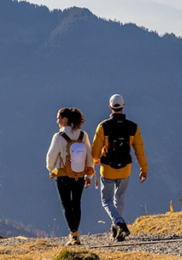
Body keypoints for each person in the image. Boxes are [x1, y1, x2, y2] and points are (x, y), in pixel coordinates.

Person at [91, 93, 148, 241]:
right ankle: (117, 229)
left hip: (107, 169)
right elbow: (139, 150)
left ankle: (119, 224)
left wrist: (94, 162)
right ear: (123, 107)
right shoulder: (133, 127)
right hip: (125, 169)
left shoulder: (103, 126)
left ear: (110, 107)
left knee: (106, 201)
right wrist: (144, 169)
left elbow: (95, 153)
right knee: (119, 200)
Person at [46, 107, 94, 245]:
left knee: (66, 205)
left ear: (65, 119)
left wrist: (51, 169)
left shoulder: (59, 137)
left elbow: (50, 159)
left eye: (59, 118)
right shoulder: (83, 135)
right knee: (76, 203)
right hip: (79, 175)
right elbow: (89, 156)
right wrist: (89, 176)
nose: (57, 121)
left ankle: (73, 235)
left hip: (63, 176)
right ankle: (76, 232)